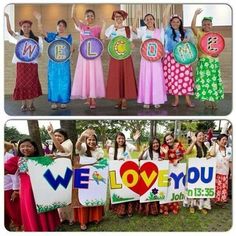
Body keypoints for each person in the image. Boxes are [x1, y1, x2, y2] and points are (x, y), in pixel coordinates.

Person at [4, 138, 60, 231]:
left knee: (45, 211)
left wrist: (52, 159)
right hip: (27, 193)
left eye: (29, 146)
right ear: (19, 149)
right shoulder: (16, 160)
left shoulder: (42, 159)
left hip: (43, 190)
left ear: (34, 148)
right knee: (31, 212)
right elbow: (5, 170)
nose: (25, 148)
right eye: (22, 146)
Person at [4, 13, 43, 112]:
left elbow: (40, 54)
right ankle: (23, 104)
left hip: (32, 65)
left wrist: (37, 54)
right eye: (24, 26)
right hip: (21, 64)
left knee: (31, 84)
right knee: (22, 84)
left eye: (28, 26)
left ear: (30, 28)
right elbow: (9, 31)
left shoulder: (36, 39)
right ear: (21, 27)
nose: (26, 28)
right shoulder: (19, 37)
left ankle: (30, 104)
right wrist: (7, 17)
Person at [34, 12, 72, 110]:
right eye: (59, 25)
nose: (61, 27)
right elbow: (42, 32)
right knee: (53, 80)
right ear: (57, 27)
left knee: (65, 81)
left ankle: (64, 101)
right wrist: (39, 20)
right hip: (53, 63)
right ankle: (54, 102)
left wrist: (72, 49)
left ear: (65, 27)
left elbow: (71, 48)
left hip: (64, 62)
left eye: (63, 26)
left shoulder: (68, 37)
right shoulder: (53, 36)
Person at [70, 5, 105, 109]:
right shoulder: (82, 27)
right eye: (87, 15)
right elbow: (73, 17)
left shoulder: (98, 28)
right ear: (85, 17)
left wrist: (104, 24)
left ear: (94, 17)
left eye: (91, 15)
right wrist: (74, 6)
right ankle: (88, 97)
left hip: (94, 56)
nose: (90, 17)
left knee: (93, 75)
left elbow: (101, 39)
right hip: (83, 55)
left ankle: (93, 98)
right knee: (85, 75)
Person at [191, 9, 224, 110]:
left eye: (208, 24)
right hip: (204, 61)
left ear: (211, 25)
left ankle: (214, 101)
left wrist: (217, 53)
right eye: (204, 24)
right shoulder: (200, 33)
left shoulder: (215, 36)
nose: (206, 26)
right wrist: (195, 14)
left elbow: (218, 48)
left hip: (213, 62)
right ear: (202, 25)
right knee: (203, 81)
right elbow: (192, 27)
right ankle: (206, 101)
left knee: (213, 82)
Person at [162, 5, 195, 107]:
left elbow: (191, 46)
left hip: (183, 58)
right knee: (173, 79)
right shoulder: (167, 31)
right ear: (170, 23)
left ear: (180, 23)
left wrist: (186, 41)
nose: (175, 23)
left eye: (177, 21)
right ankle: (176, 99)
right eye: (173, 21)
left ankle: (188, 100)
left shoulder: (186, 32)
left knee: (185, 78)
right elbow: (164, 18)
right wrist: (167, 5)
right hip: (170, 58)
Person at [133, 13, 167, 109]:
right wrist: (137, 14)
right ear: (145, 22)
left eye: (151, 19)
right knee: (146, 78)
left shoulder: (159, 31)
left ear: (154, 20)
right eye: (147, 19)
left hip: (156, 60)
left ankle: (157, 100)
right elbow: (133, 28)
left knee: (156, 79)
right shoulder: (143, 31)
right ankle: (146, 101)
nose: (149, 21)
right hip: (145, 60)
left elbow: (162, 45)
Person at [105, 10, 137, 110]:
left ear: (123, 18)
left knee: (125, 77)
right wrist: (103, 24)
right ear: (114, 18)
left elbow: (131, 42)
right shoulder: (111, 28)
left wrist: (132, 45)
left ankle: (124, 100)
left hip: (126, 57)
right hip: (114, 57)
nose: (118, 18)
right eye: (116, 16)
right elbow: (103, 37)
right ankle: (118, 99)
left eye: (120, 16)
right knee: (116, 77)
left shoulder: (128, 29)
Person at [74, 129, 104, 230]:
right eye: (89, 140)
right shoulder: (83, 148)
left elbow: (101, 164)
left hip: (94, 177)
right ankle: (83, 221)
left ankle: (95, 217)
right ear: (86, 141)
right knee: (82, 198)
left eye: (93, 140)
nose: (91, 142)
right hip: (82, 176)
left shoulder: (99, 151)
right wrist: (82, 136)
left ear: (96, 141)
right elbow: (77, 147)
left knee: (94, 195)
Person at [47, 123, 74, 225]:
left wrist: (51, 135)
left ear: (65, 137)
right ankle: (62, 217)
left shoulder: (68, 143)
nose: (57, 137)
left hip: (67, 173)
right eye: (56, 135)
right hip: (57, 173)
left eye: (59, 136)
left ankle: (71, 218)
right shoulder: (55, 147)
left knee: (68, 196)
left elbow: (62, 150)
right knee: (59, 195)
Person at [109, 131, 139, 217]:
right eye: (119, 138)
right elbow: (111, 162)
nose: (121, 140)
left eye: (122, 138)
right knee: (120, 190)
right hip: (118, 174)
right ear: (116, 139)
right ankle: (121, 210)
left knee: (128, 189)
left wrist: (136, 140)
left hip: (129, 172)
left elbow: (137, 149)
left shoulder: (127, 146)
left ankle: (130, 209)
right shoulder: (112, 149)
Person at [183, 131, 211, 214]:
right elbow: (187, 152)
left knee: (201, 188)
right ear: (196, 137)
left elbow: (206, 157)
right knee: (192, 188)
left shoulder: (205, 146)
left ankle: (201, 205)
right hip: (193, 171)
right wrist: (193, 142)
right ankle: (192, 205)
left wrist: (209, 157)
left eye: (203, 135)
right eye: (199, 135)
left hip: (202, 172)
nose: (202, 137)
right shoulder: (193, 146)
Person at [159, 133, 185, 215]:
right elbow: (165, 160)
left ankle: (174, 206)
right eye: (167, 140)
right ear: (165, 141)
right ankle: (165, 208)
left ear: (173, 138)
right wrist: (166, 153)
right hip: (166, 169)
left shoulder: (178, 145)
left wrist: (177, 159)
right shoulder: (164, 147)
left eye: (170, 139)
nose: (169, 141)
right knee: (166, 187)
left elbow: (183, 155)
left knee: (174, 188)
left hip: (176, 170)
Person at [138, 137, 162, 216]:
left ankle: (155, 209)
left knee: (156, 192)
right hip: (148, 176)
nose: (155, 144)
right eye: (154, 143)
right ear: (151, 145)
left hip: (158, 176)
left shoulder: (161, 151)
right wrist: (143, 151)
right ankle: (147, 209)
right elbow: (139, 159)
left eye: (157, 143)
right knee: (148, 192)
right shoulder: (148, 152)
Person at [208, 134, 231, 207]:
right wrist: (214, 144)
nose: (225, 141)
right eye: (223, 139)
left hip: (225, 172)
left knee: (223, 188)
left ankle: (220, 201)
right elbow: (211, 155)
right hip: (215, 172)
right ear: (218, 141)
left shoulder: (229, 149)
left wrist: (232, 172)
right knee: (215, 187)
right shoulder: (214, 148)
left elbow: (230, 161)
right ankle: (213, 200)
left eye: (226, 140)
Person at [4, 142, 22, 231]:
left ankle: (20, 227)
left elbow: (15, 175)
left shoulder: (9, 157)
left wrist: (16, 190)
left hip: (9, 188)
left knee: (14, 212)